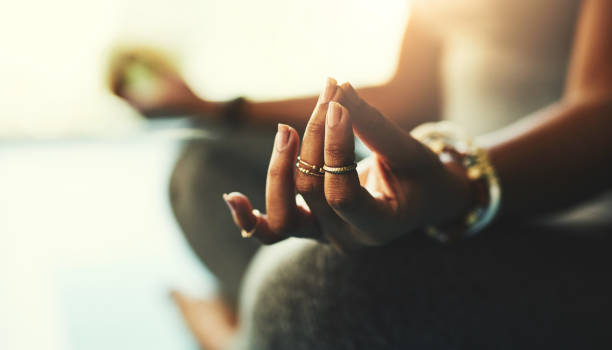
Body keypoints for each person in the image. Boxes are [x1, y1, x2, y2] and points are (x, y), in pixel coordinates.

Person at [112, 0, 612, 348]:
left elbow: (603, 114)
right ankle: (263, 330)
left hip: (570, 220)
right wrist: (219, 109)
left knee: (313, 287)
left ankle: (235, 335)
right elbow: (409, 95)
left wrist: (457, 185)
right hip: (446, 181)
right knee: (204, 167)